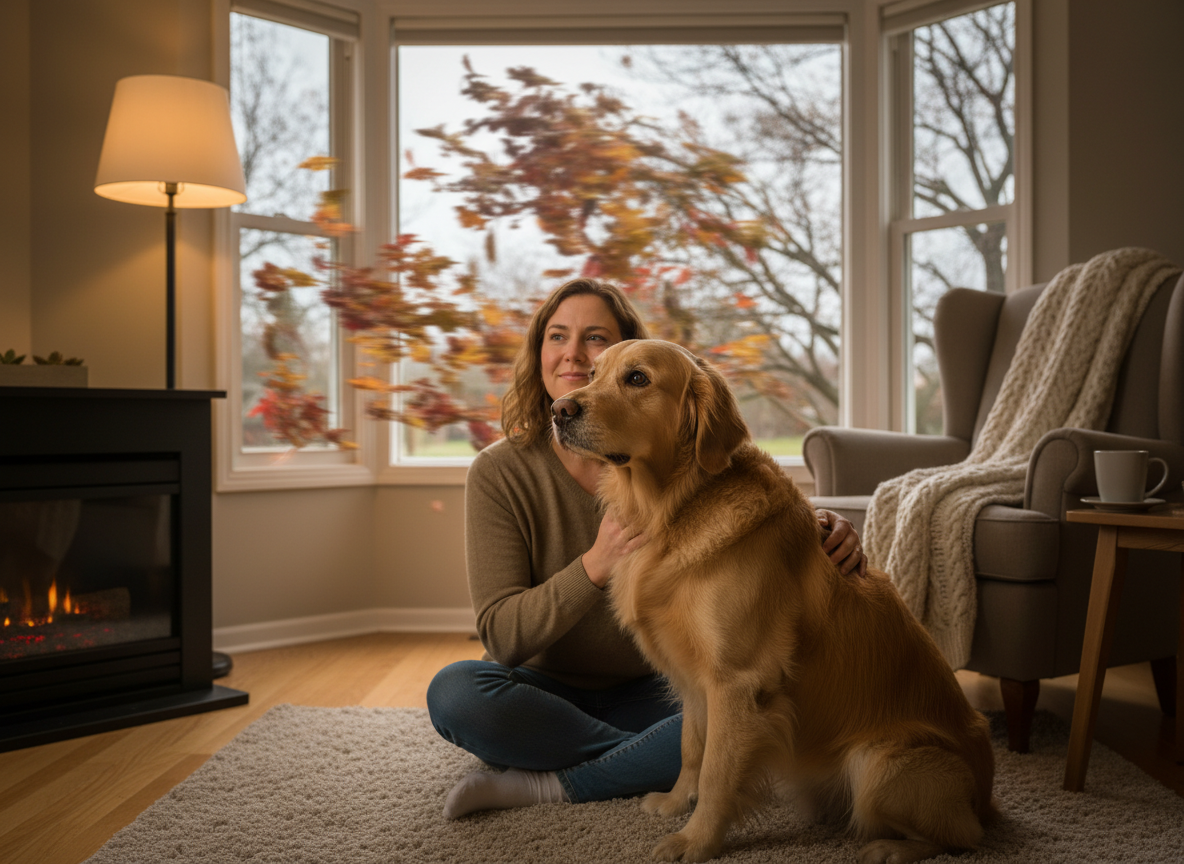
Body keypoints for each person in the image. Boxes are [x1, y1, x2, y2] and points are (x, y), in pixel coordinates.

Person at [426, 277, 867, 819]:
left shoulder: (683, 467)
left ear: (626, 352)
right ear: (538, 352)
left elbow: (748, 510)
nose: (572, 355)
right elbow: (501, 634)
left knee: (753, 702)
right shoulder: (499, 472)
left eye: (595, 340)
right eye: (556, 336)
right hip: (544, 689)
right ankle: (648, 761)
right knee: (455, 693)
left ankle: (550, 784)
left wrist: (813, 527)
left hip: (657, 692)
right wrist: (595, 564)